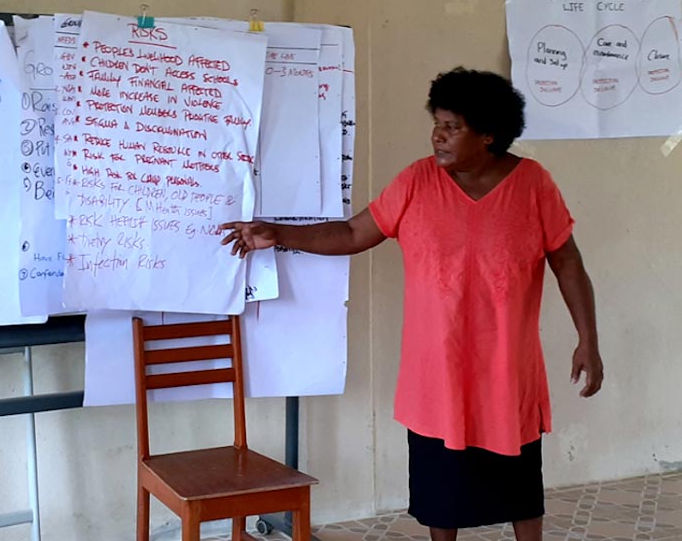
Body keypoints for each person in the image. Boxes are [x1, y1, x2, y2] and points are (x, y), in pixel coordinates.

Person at [220, 67, 603, 541]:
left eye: (451, 127)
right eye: (436, 124)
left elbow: (567, 261)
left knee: (521, 488)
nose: (437, 137)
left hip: (508, 371)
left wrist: (589, 339)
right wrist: (278, 234)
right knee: (440, 493)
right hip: (437, 373)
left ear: (488, 135)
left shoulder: (533, 185)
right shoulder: (417, 182)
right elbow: (354, 232)